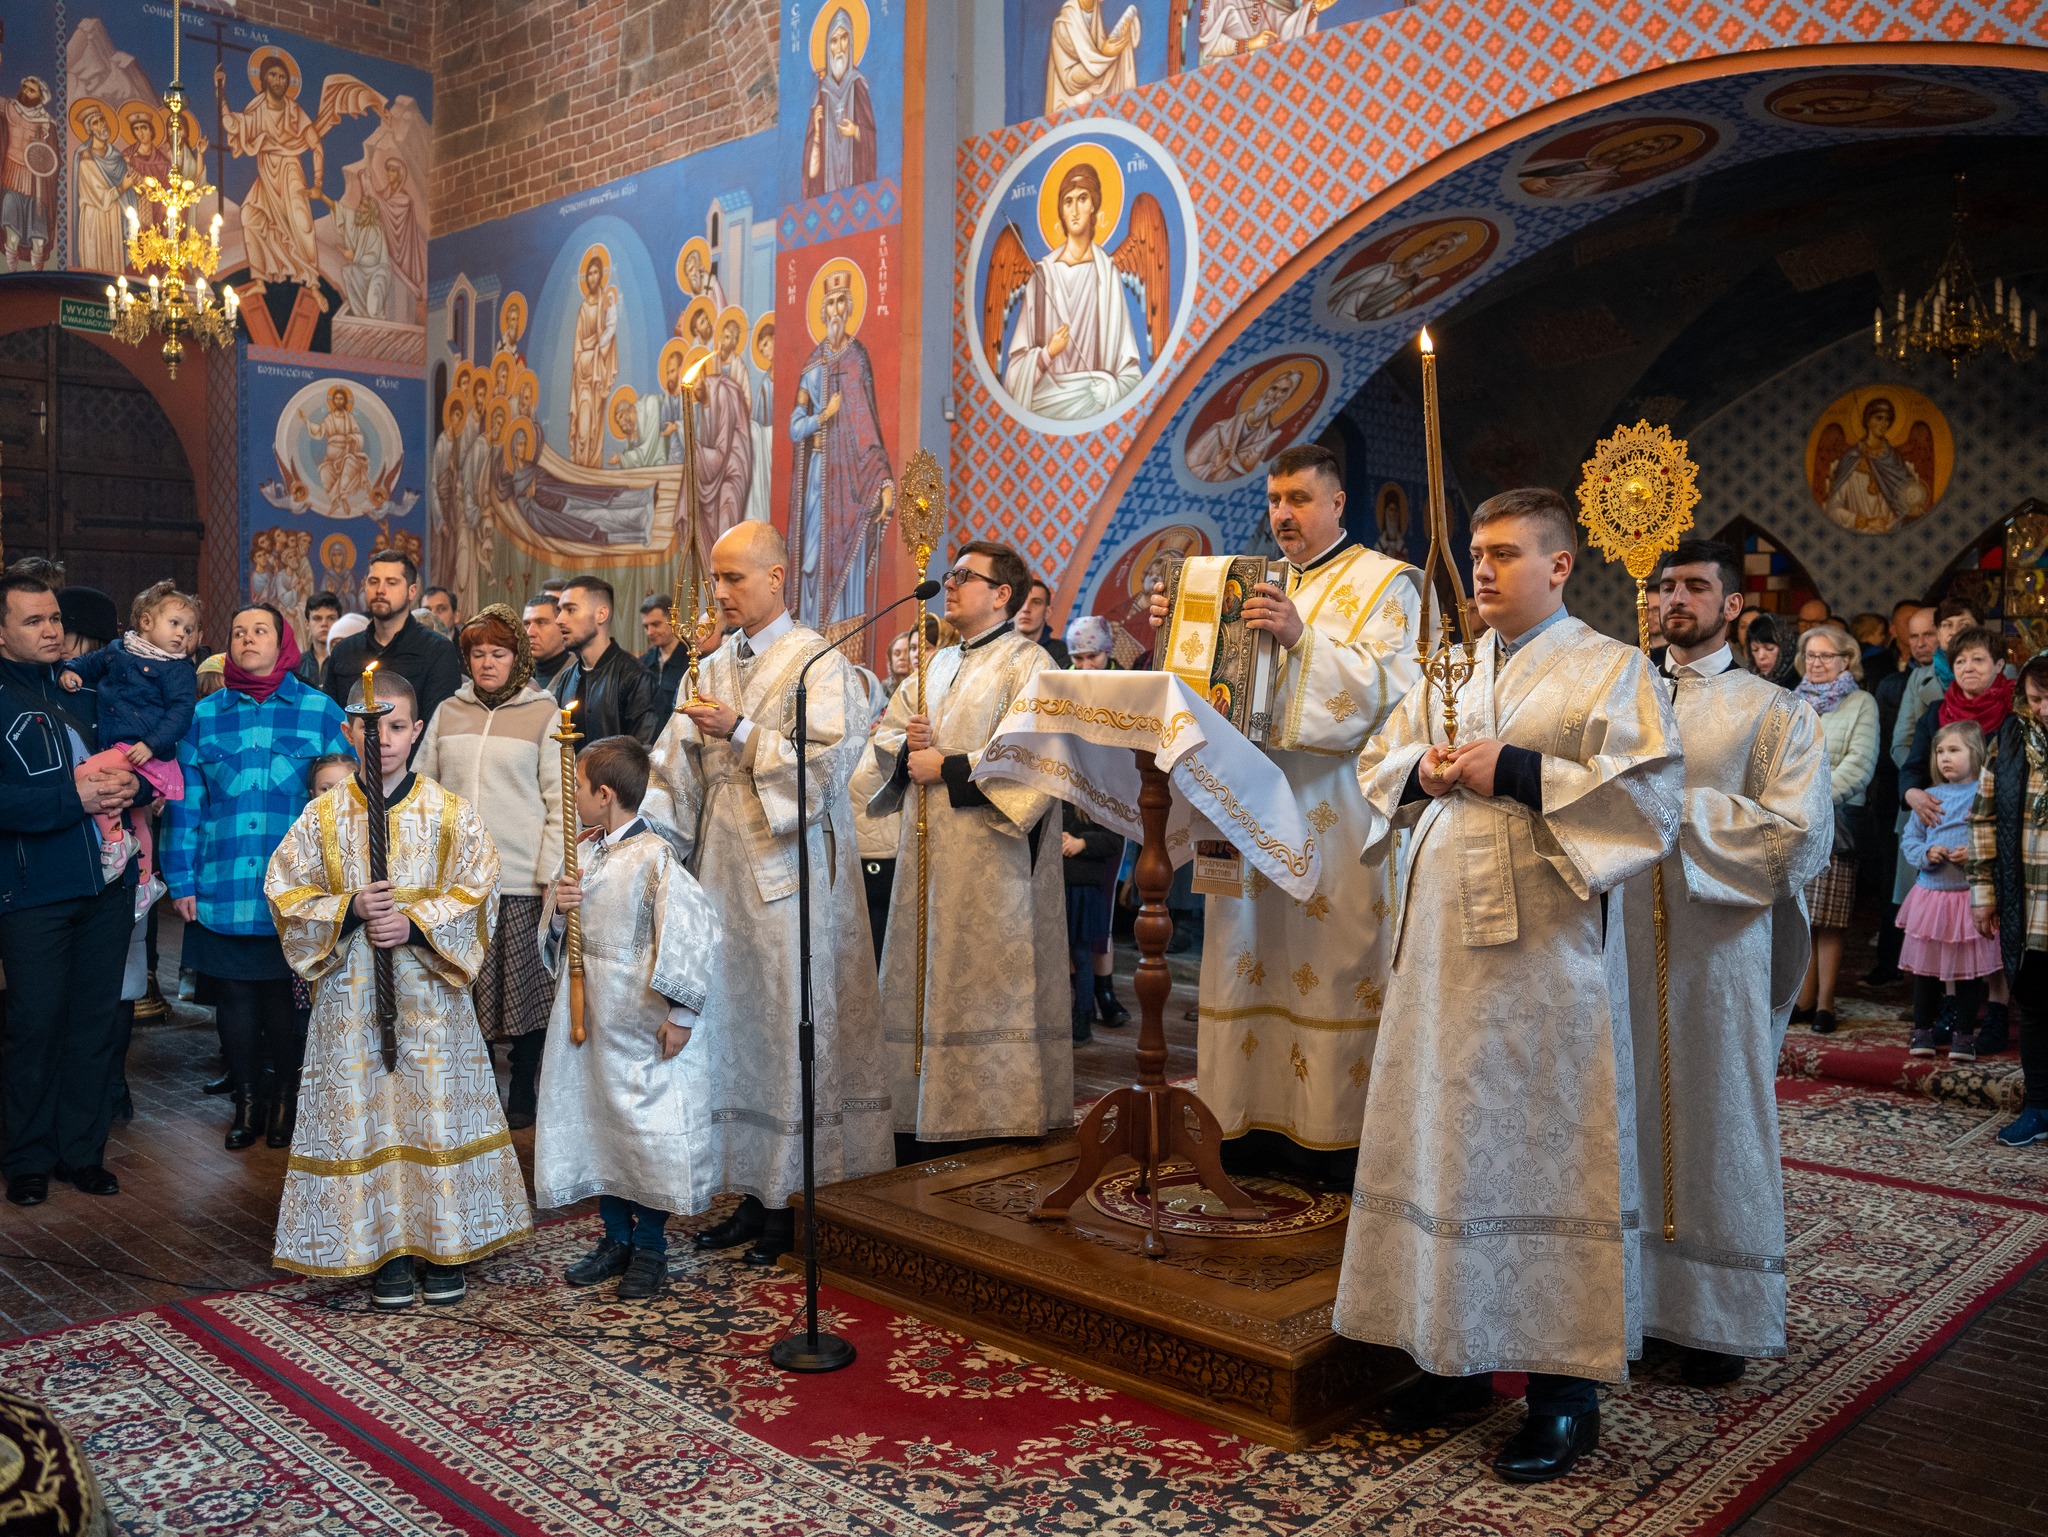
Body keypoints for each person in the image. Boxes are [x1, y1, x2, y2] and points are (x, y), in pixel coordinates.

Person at [1334, 487, 1680, 1483]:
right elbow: (1376, 763)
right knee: (1444, 1143)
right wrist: (1424, 770)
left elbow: (1650, 801)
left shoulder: (1611, 668)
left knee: (1543, 1149)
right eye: (1475, 553)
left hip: (1542, 960)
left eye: (1502, 553)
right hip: (1438, 957)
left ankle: (1562, 1396)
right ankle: (1451, 1356)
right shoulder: (1448, 665)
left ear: (1559, 565)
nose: (1480, 569)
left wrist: (1519, 769)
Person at [1146, 443, 1422, 1184]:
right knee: (1245, 953)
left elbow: (1399, 691)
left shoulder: (1388, 582)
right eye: (1274, 500)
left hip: (1334, 812)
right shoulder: (1242, 581)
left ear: (1337, 503)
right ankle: (1239, 1122)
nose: (1283, 514)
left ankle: (1331, 1137)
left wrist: (1303, 639)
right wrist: (1175, 627)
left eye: (1299, 498)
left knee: (1331, 957)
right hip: (1242, 808)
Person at [648, 523, 893, 1262]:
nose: (720, 593)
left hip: (794, 875)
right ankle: (750, 1194)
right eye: (716, 579)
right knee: (733, 1030)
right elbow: (674, 770)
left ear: (778, 577)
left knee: (789, 1029)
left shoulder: (819, 662)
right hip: (720, 870)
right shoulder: (708, 667)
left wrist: (744, 732)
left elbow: (828, 770)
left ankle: (793, 1202)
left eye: (735, 578)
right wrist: (643, 840)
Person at [1627, 540, 1832, 1389]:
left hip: (1719, 949)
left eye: (1694, 587)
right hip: (1619, 943)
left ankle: (1718, 1319)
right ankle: (1635, 1303)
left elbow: (1797, 837)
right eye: (1664, 586)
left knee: (1718, 1114)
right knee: (1627, 1113)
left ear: (1732, 604)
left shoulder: (1776, 712)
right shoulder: (1621, 695)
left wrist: (1674, 810)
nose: (1674, 599)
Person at [265, 669, 531, 1308]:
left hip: (430, 1000)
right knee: (368, 1116)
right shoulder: (322, 817)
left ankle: (442, 1245)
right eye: (367, 727)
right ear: (348, 732)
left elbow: (480, 888)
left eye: (394, 726)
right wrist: (349, 909)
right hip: (352, 999)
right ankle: (382, 1248)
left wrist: (415, 924)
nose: (380, 739)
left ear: (416, 732)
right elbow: (284, 890)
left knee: (431, 1112)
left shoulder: (449, 813)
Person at [869, 540, 1069, 1154]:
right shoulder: (934, 664)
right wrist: (907, 751)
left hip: (992, 860)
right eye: (949, 574)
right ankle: (919, 1109)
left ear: (1002, 594)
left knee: (985, 981)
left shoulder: (1029, 663)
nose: (949, 584)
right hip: (928, 855)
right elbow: (886, 736)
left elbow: (1038, 753)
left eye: (963, 576)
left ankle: (993, 1114)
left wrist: (949, 767)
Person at [534, 736, 722, 1300]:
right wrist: (560, 910)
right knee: (600, 1127)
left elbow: (693, 933)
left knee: (644, 1134)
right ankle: (615, 1238)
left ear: (605, 794)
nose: (572, 798)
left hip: (639, 1021)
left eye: (577, 787)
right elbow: (557, 938)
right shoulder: (582, 852)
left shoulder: (655, 857)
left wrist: (682, 1014)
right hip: (587, 1017)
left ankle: (651, 1247)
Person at [165, 604, 348, 1150]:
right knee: (235, 999)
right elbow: (185, 805)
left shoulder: (320, 711)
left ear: (282, 641)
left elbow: (345, 804)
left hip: (295, 888)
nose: (247, 639)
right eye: (238, 632)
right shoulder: (205, 716)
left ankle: (287, 1099)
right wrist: (181, 879)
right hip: (222, 880)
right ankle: (246, 1103)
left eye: (260, 631)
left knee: (283, 1002)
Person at [0, 572, 147, 1207]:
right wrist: (73, 798)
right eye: (33, 621)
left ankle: (81, 1153)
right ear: (1, 632)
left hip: (107, 886)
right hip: (33, 890)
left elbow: (137, 755)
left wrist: (135, 785)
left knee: (95, 1025)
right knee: (35, 1027)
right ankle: (27, 1158)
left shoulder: (86, 690)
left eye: (55, 618)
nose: (51, 630)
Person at [414, 605, 564, 1130]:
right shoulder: (448, 712)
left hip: (521, 878)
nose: (487, 663)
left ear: (517, 657)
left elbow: (559, 803)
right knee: (466, 986)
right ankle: (476, 1086)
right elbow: (423, 789)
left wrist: (549, 874)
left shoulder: (545, 714)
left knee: (524, 990)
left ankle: (522, 1084)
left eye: (498, 653)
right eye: (477, 654)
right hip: (457, 881)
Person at [57, 581, 199, 883]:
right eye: (175, 624)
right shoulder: (118, 650)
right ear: (146, 622)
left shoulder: (177, 668)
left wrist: (151, 743)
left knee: (86, 773)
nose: (182, 634)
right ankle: (145, 883)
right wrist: (70, 670)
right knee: (136, 819)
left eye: (188, 630)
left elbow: (181, 712)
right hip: (121, 744)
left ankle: (116, 840)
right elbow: (88, 663)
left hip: (138, 746)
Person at [1969, 653, 2048, 1146]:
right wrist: (1984, 894)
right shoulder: (2012, 738)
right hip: (2029, 902)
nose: (2044, 710)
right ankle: (2039, 1107)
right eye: (2036, 699)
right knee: (2036, 1006)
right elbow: (1984, 818)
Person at [1790, 624, 1880, 1035]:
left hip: (1838, 818)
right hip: (1795, 820)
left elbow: (1860, 764)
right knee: (1801, 915)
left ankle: (1826, 1002)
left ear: (1846, 660)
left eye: (1826, 655)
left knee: (1829, 917)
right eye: (1811, 655)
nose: (1817, 663)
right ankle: (1803, 1000)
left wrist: (1814, 799)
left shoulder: (1861, 702)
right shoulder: (1793, 700)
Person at [1899, 721, 2000, 1058]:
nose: (1944, 757)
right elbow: (1911, 839)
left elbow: (1996, 836)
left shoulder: (1985, 795)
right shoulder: (1930, 797)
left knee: (1969, 971)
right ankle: (1922, 1031)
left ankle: (1964, 1034)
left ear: (1976, 753)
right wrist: (1927, 853)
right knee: (1926, 969)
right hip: (1932, 896)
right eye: (1940, 751)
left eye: (1954, 750)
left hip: (1969, 897)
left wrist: (1976, 853)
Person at [1866, 604, 1939, 986]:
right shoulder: (1902, 681)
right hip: (1909, 793)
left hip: (1959, 795)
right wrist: (1918, 778)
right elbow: (1897, 742)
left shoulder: (1953, 676)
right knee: (1904, 887)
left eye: (1929, 634)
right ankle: (1903, 970)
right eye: (1915, 636)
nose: (1922, 643)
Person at [1064, 614, 1130, 1028]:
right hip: (1072, 800)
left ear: (1107, 652)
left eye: (1093, 656)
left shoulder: (1127, 686)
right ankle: (1085, 1000)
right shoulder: (1062, 683)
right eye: (1078, 658)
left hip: (1114, 804)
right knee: (1071, 919)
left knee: (1102, 910)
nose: (1085, 665)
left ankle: (1105, 993)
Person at [322, 551, 463, 739]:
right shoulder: (344, 651)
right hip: (352, 756)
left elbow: (437, 729)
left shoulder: (437, 650)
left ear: (412, 592)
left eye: (391, 582)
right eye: (373, 582)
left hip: (414, 757)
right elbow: (331, 721)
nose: (380, 590)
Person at [548, 576, 663, 746]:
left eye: (570, 610)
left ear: (601, 614)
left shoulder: (637, 678)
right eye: (559, 611)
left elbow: (643, 754)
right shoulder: (567, 678)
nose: (559, 620)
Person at [638, 592, 688, 702]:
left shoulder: (694, 661)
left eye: (656, 624)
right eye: (646, 626)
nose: (649, 632)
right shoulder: (643, 663)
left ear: (675, 621)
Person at [1015, 578, 1070, 667]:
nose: (1026, 609)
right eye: (1021, 601)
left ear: (1047, 612)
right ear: (1012, 608)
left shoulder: (1062, 654)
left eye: (1036, 602)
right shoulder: (997, 646)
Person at [294, 591, 343, 690]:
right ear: (307, 624)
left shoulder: (347, 662)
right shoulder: (296, 665)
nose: (324, 623)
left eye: (331, 618)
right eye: (317, 618)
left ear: (339, 623)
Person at [525, 594, 572, 691]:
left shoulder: (580, 678)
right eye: (527, 624)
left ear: (562, 626)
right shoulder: (514, 680)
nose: (530, 633)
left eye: (541, 623)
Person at [1745, 613, 1798, 686]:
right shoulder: (1747, 684)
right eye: (1755, 649)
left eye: (1769, 648)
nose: (1761, 656)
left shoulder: (1802, 686)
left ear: (1785, 648)